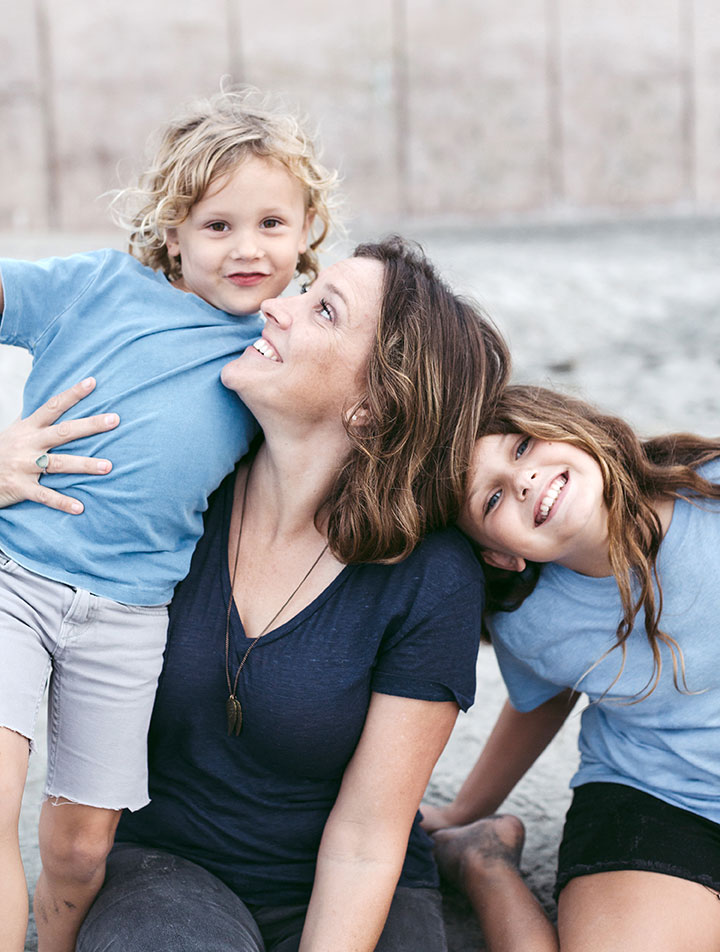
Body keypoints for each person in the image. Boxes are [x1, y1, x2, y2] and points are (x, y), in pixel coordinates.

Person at [3, 237, 510, 950]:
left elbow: (367, 837)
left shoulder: (430, 574)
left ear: (373, 405)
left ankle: (483, 860)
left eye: (322, 310)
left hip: (358, 884)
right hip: (169, 871)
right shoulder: (166, 495)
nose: (274, 306)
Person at [0, 86, 337, 952]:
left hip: (129, 617)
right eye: (217, 226)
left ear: (308, 229)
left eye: (272, 223)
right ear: (172, 231)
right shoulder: (99, 287)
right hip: (17, 580)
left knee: (80, 850)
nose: (248, 248)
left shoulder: (281, 343)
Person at [422, 384, 720, 952]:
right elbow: (542, 700)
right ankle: (484, 860)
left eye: (521, 448)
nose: (524, 480)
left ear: (568, 426)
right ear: (501, 556)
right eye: (491, 500)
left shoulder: (708, 487)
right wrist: (466, 809)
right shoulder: (530, 620)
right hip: (656, 796)